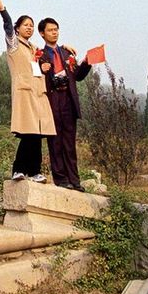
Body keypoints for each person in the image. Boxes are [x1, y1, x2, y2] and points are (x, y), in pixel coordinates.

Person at [0, 0, 55, 183]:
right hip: (25, 93)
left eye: (32, 26)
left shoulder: (34, 48)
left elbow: (36, 67)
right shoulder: (14, 44)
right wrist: (0, 3)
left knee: (37, 134)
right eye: (26, 25)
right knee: (28, 132)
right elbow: (7, 24)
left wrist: (43, 67)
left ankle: (33, 171)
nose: (30, 28)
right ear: (17, 29)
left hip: (38, 94)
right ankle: (20, 169)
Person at [37, 17, 91, 190]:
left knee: (69, 142)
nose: (54, 33)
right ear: (42, 33)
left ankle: (75, 180)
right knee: (55, 141)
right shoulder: (39, 55)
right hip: (52, 99)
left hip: (68, 99)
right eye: (51, 30)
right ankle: (60, 179)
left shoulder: (67, 53)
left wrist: (86, 62)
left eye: (56, 29)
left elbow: (78, 76)